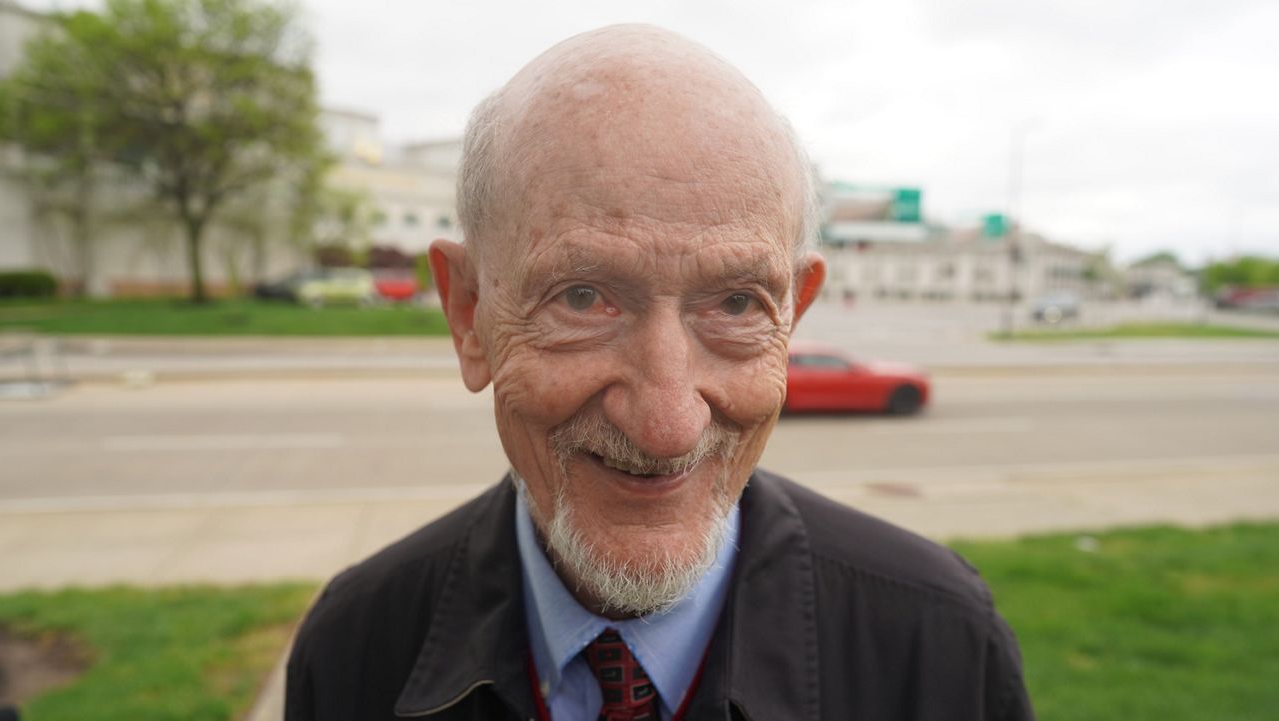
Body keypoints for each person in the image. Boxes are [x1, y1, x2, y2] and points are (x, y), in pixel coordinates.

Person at [286, 25, 1033, 721]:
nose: (668, 424)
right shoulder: (355, 649)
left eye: (737, 303)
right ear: (469, 313)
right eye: (583, 297)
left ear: (793, 315)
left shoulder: (941, 648)